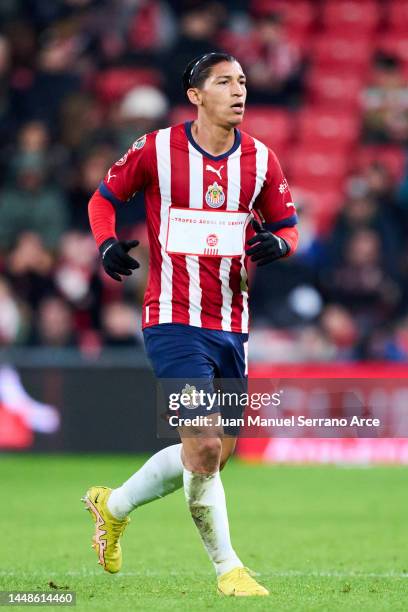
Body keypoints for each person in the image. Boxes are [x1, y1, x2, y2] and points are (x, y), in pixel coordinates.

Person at [84, 52, 298, 597]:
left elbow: (287, 226)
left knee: (213, 454)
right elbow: (103, 199)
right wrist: (107, 243)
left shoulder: (261, 160)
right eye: (224, 82)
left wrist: (278, 244)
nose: (239, 90)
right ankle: (230, 570)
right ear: (196, 95)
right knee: (201, 445)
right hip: (173, 319)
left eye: (243, 81)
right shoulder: (157, 149)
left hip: (231, 322)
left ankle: (112, 505)